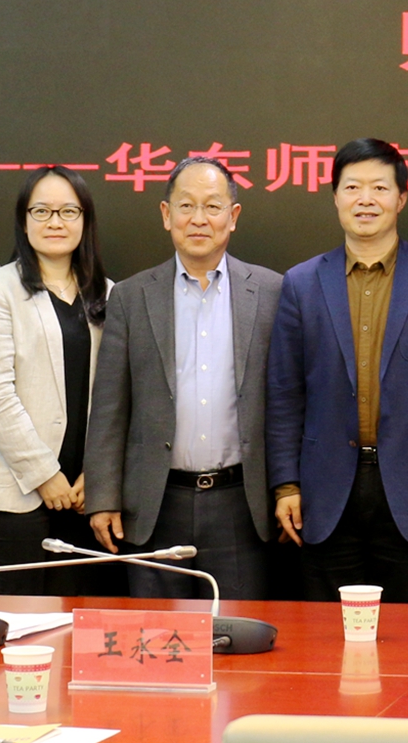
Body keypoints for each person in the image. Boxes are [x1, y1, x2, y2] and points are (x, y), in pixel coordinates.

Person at [268, 140, 408, 602]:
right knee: (326, 631)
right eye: (352, 188)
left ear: (401, 198)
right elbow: (284, 394)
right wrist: (286, 485)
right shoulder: (301, 283)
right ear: (335, 197)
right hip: (324, 491)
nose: (366, 199)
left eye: (380, 188)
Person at [83, 156, 281, 600]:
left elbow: (289, 402)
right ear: (166, 214)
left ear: (233, 216)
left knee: (236, 632)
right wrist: (103, 497)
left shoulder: (271, 292)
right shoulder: (132, 296)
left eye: (212, 206)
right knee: (156, 636)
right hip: (156, 501)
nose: (198, 219)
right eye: (186, 205)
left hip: (241, 503)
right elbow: (110, 406)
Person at [0, 168, 119, 596]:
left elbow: (118, 396)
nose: (55, 222)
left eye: (68, 211)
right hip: (15, 493)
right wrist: (43, 474)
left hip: (88, 497)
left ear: (85, 220)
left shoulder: (109, 293)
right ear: (24, 219)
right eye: (42, 211)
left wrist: (99, 474)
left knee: (81, 625)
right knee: (20, 624)